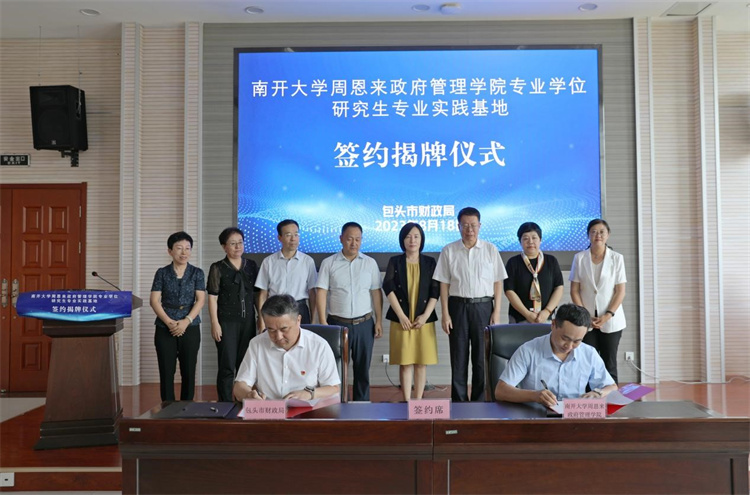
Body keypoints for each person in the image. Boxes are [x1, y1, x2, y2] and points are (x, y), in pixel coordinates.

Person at [433, 207, 507, 402]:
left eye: (473, 225)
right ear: (458, 226)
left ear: (479, 226)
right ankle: (459, 402)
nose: (469, 229)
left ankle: (479, 401)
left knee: (481, 358)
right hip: (457, 307)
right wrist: (445, 313)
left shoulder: (490, 249)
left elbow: (498, 282)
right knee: (458, 357)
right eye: (465, 225)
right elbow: (443, 284)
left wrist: (497, 312)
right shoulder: (449, 250)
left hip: (484, 307)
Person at [494, 303, 617, 407]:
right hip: (537, 417)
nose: (569, 346)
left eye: (576, 341)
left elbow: (612, 387)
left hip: (574, 418)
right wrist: (535, 395)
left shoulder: (589, 353)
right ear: (553, 325)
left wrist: (598, 393)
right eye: (565, 338)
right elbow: (501, 391)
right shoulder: (528, 351)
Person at [316, 222, 382, 402]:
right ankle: (337, 404)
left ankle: (362, 406)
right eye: (350, 239)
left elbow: (376, 293)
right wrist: (323, 322)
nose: (354, 243)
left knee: (363, 370)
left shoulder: (370, 263)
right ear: (341, 239)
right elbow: (321, 292)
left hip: (364, 324)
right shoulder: (329, 263)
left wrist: (378, 321)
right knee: (336, 370)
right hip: (336, 324)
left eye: (358, 239)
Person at [233, 294, 340, 401]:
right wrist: (248, 395)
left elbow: (334, 389)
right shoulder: (257, 344)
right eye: (271, 330)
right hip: (269, 409)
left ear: (298, 320)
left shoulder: (319, 346)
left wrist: (310, 394)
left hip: (307, 409)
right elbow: (239, 386)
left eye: (284, 329)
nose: (278, 337)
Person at [382, 222, 439, 401]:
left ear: (422, 239)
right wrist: (401, 316)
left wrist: (425, 316)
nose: (412, 240)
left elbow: (435, 291)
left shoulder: (430, 262)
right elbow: (388, 287)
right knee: (405, 363)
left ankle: (418, 403)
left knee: (421, 363)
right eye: (408, 236)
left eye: (416, 236)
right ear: (402, 240)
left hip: (423, 319)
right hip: (402, 319)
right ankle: (406, 402)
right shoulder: (395, 261)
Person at [149, 231, 206, 401]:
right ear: (170, 251)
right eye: (179, 248)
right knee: (166, 371)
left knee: (189, 370)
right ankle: (167, 408)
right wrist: (169, 322)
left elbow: (200, 300)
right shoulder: (162, 273)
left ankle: (187, 407)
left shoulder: (197, 273)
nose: (184, 252)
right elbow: (154, 301)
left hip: (190, 326)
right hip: (164, 326)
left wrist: (186, 321)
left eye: (187, 248)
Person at [569, 218, 627, 383]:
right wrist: (585, 315)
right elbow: (574, 290)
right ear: (588, 235)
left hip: (611, 319)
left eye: (602, 232)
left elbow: (620, 291)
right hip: (586, 321)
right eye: (593, 232)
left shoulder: (617, 258)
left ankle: (611, 396)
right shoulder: (579, 258)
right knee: (587, 362)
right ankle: (588, 397)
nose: (598, 235)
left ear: (608, 235)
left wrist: (607, 315)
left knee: (609, 362)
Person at [207, 227, 258, 402]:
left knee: (246, 366)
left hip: (248, 322)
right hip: (226, 322)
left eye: (240, 242)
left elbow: (257, 295)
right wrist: (214, 323)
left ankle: (244, 402)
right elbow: (212, 298)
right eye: (233, 243)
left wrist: (261, 319)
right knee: (227, 365)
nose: (238, 247)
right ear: (224, 247)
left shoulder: (251, 265)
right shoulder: (217, 268)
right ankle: (225, 404)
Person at [255, 219, 317, 330]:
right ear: (279, 237)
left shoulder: (308, 261)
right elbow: (263, 294)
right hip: (275, 309)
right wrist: (261, 320)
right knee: (276, 340)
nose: (293, 239)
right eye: (288, 235)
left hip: (299, 309)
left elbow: (312, 293)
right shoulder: (268, 262)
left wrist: (314, 320)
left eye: (296, 234)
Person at [504, 222, 564, 324]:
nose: (530, 242)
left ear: (540, 239)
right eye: (525, 238)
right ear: (520, 241)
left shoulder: (551, 261)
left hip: (547, 318)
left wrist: (547, 311)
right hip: (520, 318)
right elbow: (509, 290)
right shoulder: (513, 262)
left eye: (534, 238)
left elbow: (559, 287)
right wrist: (527, 314)